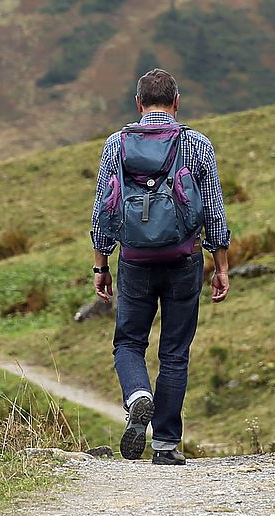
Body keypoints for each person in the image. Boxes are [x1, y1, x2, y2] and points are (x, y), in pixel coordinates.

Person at [90, 68, 231, 465]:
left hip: (134, 260)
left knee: (129, 342)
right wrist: (220, 264)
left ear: (138, 103)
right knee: (174, 352)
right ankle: (166, 445)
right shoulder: (197, 145)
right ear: (176, 102)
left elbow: (103, 210)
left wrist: (101, 265)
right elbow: (215, 212)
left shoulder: (116, 145)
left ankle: (138, 395)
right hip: (184, 259)